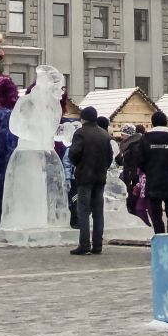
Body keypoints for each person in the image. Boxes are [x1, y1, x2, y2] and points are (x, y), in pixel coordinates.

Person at [125, 110, 168, 234]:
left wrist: (148, 168)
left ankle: (160, 239)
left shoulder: (146, 138)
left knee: (156, 214)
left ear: (152, 123)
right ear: (165, 123)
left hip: (153, 181)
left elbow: (139, 160)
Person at [68, 106, 113, 255]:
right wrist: (102, 169)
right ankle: (97, 244)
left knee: (83, 211)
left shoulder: (80, 133)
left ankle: (84, 244)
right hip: (100, 177)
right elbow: (109, 156)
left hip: (84, 177)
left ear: (83, 118)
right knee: (98, 212)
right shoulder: (104, 134)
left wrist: (79, 165)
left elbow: (73, 153)